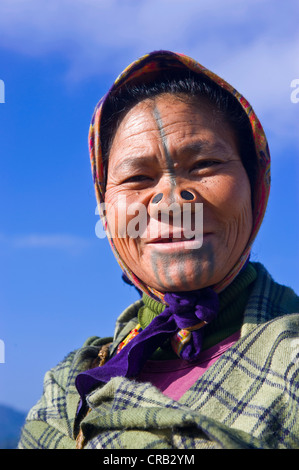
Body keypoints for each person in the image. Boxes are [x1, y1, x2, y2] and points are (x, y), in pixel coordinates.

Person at [18, 50, 299, 450]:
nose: (170, 201)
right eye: (137, 177)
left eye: (204, 164)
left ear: (256, 184)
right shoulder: (67, 387)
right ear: (104, 203)